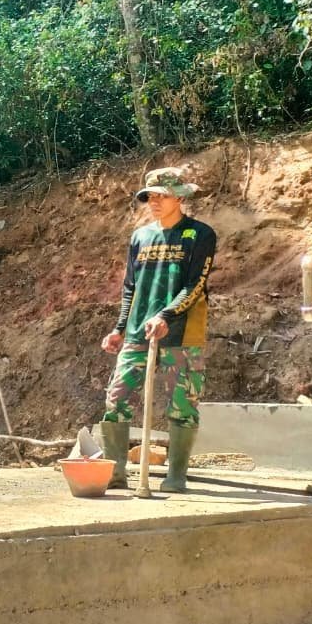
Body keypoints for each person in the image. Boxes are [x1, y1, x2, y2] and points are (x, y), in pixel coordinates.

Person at [99, 167, 216, 493]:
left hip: (182, 334)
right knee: (116, 399)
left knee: (182, 405)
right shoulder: (140, 237)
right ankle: (116, 473)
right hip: (139, 331)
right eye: (150, 196)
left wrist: (165, 316)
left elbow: (196, 285)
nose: (154, 202)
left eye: (162, 196)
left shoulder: (200, 234)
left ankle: (176, 475)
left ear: (179, 197)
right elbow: (130, 288)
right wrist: (120, 328)